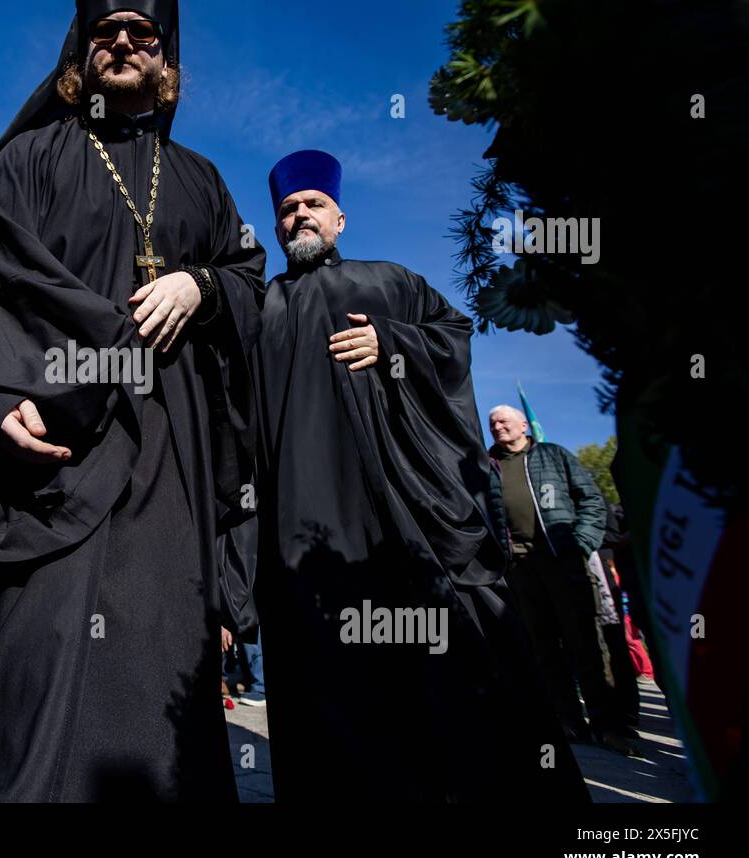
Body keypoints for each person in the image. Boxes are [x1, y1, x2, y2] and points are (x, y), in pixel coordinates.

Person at [0, 0, 264, 802]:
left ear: (167, 54)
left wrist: (204, 284)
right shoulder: (26, 163)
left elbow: (251, 284)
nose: (123, 43)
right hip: (51, 441)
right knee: (25, 655)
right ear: (81, 49)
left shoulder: (202, 181)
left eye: (142, 31)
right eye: (106, 30)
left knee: (152, 653)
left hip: (166, 461)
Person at [247, 150, 586, 801]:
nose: (299, 216)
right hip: (300, 529)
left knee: (446, 687)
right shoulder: (262, 312)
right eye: (288, 209)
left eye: (312, 204)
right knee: (330, 698)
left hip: (405, 518)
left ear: (339, 218)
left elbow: (453, 340)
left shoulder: (390, 281)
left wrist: (392, 342)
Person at [487, 404, 636, 754]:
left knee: (585, 643)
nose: (497, 426)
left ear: (524, 424)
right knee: (543, 648)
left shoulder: (553, 455)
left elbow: (592, 502)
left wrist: (579, 544)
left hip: (562, 562)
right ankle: (567, 721)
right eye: (492, 423)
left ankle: (607, 725)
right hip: (519, 569)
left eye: (503, 420)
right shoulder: (487, 465)